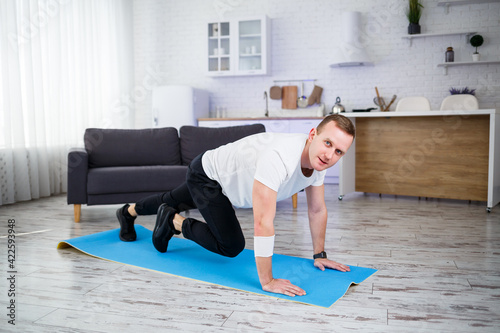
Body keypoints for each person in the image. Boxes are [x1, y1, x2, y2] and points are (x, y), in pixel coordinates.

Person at [116, 114, 355, 297]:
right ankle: (173, 221)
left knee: (170, 199)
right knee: (231, 245)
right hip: (208, 176)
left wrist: (319, 254)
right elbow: (263, 222)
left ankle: (127, 212)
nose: (329, 155)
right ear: (312, 134)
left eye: (338, 152)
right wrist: (268, 281)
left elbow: (316, 209)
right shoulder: (281, 157)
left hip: (222, 182)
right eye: (327, 143)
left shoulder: (318, 165)